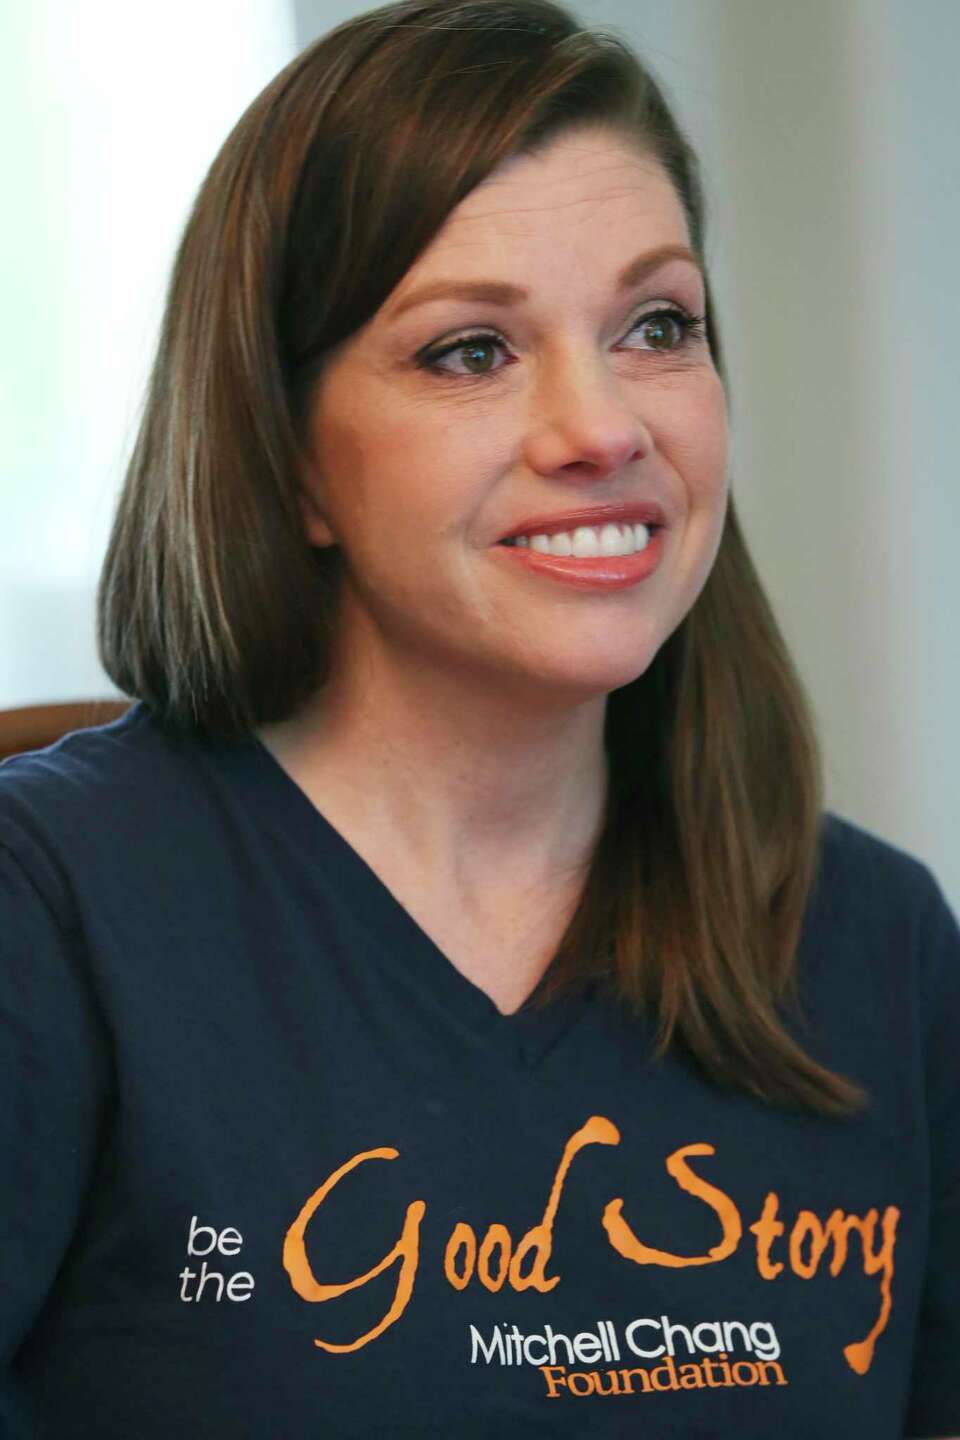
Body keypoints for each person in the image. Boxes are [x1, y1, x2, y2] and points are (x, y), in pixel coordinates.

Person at [1, 0, 958, 1434]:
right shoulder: (50, 914)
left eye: (656, 326)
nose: (604, 428)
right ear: (289, 456)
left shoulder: (876, 943)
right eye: (470, 352)